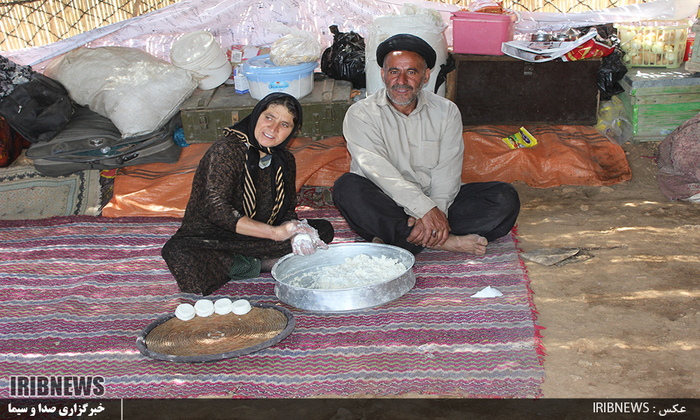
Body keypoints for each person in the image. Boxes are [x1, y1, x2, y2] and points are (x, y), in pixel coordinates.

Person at [332, 34, 519, 256]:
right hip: (385, 199)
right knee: (347, 189)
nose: (401, 81)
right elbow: (379, 172)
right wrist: (424, 210)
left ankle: (403, 236)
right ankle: (446, 242)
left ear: (426, 76)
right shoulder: (361, 113)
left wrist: (435, 212)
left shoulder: (447, 111)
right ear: (383, 74)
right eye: (394, 72)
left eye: (411, 72)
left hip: (435, 201)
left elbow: (447, 172)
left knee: (505, 198)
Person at [162, 92, 334, 295]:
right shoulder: (226, 150)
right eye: (269, 117)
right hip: (212, 237)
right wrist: (275, 233)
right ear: (256, 116)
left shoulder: (285, 160)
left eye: (284, 124)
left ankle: (247, 263)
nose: (273, 128)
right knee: (178, 253)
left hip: (255, 238)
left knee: (321, 229)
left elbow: (286, 212)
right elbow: (216, 210)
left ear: (292, 132)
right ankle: (258, 264)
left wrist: (294, 233)